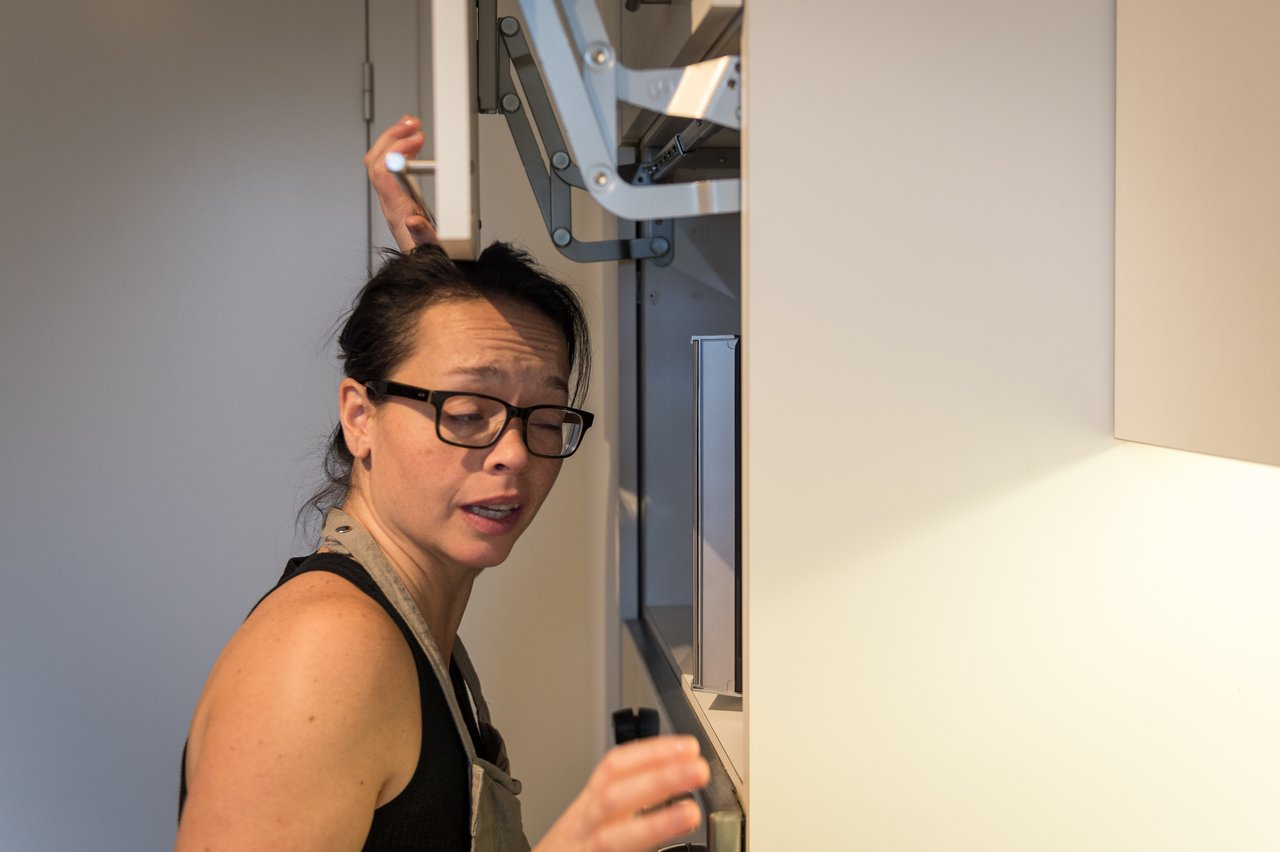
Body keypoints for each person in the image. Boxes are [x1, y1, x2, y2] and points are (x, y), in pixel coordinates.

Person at [175, 118, 709, 850]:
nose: (514, 453)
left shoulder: (416, 623)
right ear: (360, 419)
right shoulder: (327, 655)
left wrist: (432, 271)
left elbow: (446, 362)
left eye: (544, 416)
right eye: (466, 413)